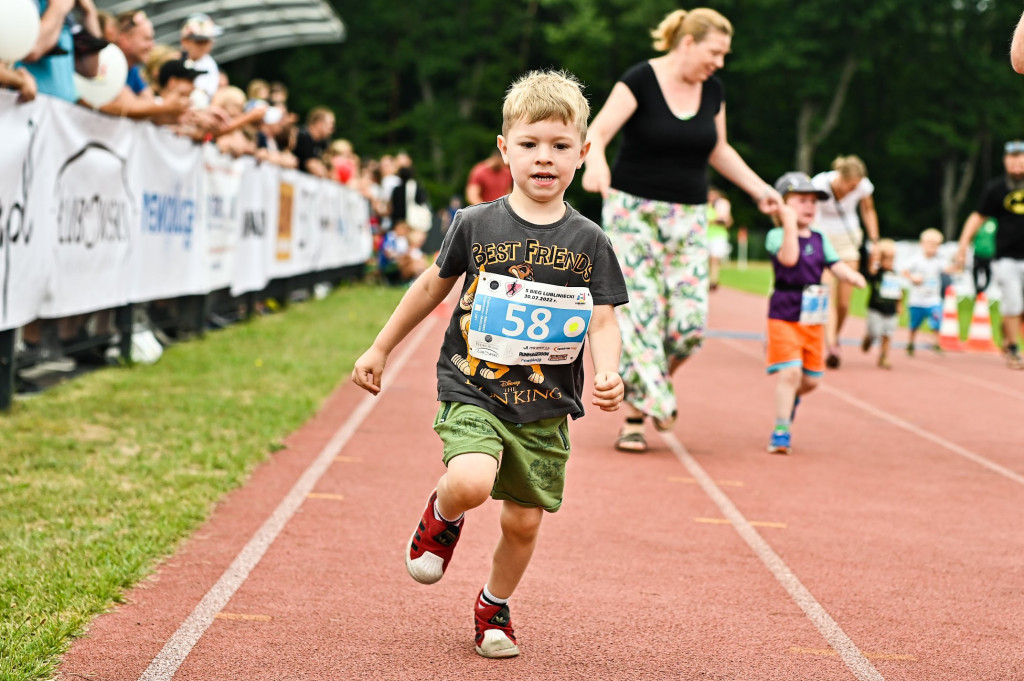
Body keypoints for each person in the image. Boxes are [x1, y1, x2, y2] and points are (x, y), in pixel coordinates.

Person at [351, 70, 627, 659]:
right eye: (529, 145)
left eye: (559, 146)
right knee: (473, 480)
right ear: (505, 150)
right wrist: (380, 347)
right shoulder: (476, 224)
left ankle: (493, 604)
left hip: (546, 405)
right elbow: (431, 288)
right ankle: (443, 510)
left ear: (582, 152)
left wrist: (608, 370)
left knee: (524, 524)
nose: (544, 158)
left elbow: (604, 321)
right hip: (472, 385)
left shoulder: (591, 241)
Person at [581, 7, 780, 453]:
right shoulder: (640, 80)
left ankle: (649, 390)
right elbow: (599, 131)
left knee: (689, 325)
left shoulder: (714, 90)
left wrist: (759, 190)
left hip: (689, 218)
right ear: (688, 42)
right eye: (716, 52)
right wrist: (594, 165)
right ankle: (642, 411)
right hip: (633, 214)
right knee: (641, 315)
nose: (720, 63)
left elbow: (720, 150)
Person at [764, 172, 866, 455]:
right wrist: (787, 224)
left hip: (812, 317)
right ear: (783, 204)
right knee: (790, 372)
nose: (809, 206)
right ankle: (781, 429)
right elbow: (790, 258)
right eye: (801, 200)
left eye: (813, 201)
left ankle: (790, 400)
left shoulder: (821, 237)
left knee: (811, 380)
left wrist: (851, 276)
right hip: (784, 313)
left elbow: (835, 264)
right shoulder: (776, 236)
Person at [811, 155, 881, 369]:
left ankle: (835, 336)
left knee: (843, 301)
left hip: (848, 238)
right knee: (827, 292)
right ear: (840, 177)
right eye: (849, 185)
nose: (852, 190)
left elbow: (868, 210)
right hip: (823, 236)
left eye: (856, 186)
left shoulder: (863, 186)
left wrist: (875, 241)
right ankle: (831, 345)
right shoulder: (820, 184)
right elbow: (810, 212)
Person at [903, 228, 949, 357]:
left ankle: (937, 343)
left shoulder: (938, 260)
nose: (932, 248)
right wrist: (913, 278)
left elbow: (948, 269)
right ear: (922, 244)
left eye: (935, 245)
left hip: (933, 298)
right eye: (929, 244)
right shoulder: (916, 259)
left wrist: (958, 263)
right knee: (914, 323)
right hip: (917, 299)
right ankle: (911, 343)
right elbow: (904, 270)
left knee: (936, 320)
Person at [860, 238, 902, 370]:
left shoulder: (895, 274)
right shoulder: (876, 273)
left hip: (891, 309)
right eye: (887, 259)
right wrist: (875, 259)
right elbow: (870, 271)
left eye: (892, 259)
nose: (890, 263)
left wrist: (899, 304)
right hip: (875, 309)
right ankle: (869, 337)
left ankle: (884, 356)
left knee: (888, 333)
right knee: (876, 331)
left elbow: (899, 291)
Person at [179, 12, 222, 108]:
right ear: (184, 41)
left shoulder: (208, 64)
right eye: (199, 42)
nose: (204, 46)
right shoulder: (176, 59)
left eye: (207, 41)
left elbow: (201, 97)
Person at [294, 107, 335, 177]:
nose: (332, 129)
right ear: (319, 123)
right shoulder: (303, 137)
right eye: (330, 124)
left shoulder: (323, 143)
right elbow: (313, 167)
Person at [707, 185, 733, 290]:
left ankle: (714, 281)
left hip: (718, 237)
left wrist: (724, 220)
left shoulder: (721, 207)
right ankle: (707, 279)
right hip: (706, 237)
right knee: (707, 261)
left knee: (715, 259)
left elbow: (729, 223)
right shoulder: (705, 207)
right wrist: (714, 221)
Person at [971, 217, 997, 294]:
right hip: (978, 251)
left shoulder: (994, 222)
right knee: (976, 270)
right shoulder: (978, 221)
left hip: (989, 253)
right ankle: (976, 289)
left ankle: (985, 290)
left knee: (988, 272)